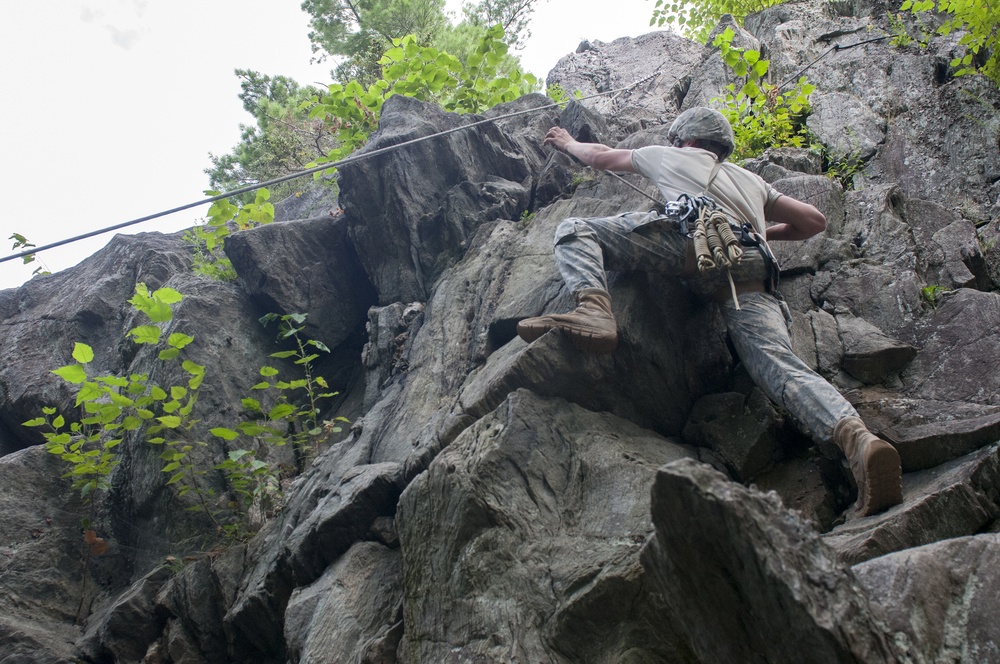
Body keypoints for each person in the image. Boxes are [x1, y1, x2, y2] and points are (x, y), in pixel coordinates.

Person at [516, 107, 903, 517]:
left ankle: (593, 309)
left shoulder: (668, 155)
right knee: (779, 366)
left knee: (575, 230)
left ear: (687, 139)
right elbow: (814, 220)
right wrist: (758, 232)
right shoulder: (751, 181)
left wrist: (568, 143)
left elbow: (602, 155)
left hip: (692, 245)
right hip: (754, 268)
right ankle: (857, 440)